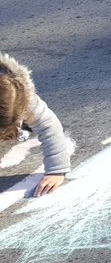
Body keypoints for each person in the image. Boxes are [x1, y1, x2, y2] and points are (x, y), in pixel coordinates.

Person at [0, 52, 71, 197]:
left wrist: (56, 170)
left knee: (28, 121)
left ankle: (14, 127)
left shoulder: (21, 95)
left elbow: (49, 126)